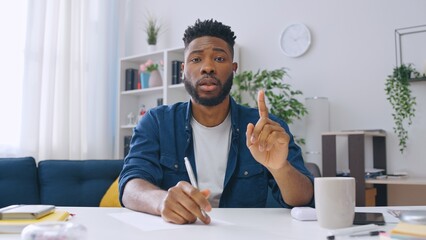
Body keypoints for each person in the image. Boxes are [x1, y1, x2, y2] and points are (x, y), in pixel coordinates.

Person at [119, 19, 314, 225]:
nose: (208, 67)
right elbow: (130, 185)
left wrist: (280, 167)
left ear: (233, 68)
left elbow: (304, 198)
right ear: (183, 69)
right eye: (196, 59)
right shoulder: (156, 122)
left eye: (220, 58)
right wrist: (161, 202)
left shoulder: (266, 128)